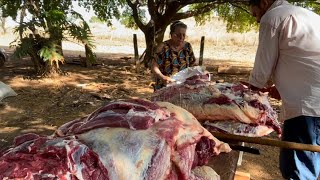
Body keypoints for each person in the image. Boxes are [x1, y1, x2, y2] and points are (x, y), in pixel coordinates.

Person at [246, 0, 320, 179]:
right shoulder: (310, 17)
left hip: (307, 109)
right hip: (313, 103)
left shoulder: (272, 17)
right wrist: (282, 87)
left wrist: (245, 92)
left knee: (298, 170)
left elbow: (260, 72)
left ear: (263, 3)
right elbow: (305, 60)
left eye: (255, 14)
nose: (256, 20)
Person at [151, 21, 196, 91]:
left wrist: (199, 72)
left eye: (184, 35)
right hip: (165, 86)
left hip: (183, 86)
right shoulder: (163, 47)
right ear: (171, 34)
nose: (181, 37)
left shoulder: (187, 46)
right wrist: (163, 77)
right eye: (178, 35)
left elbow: (192, 64)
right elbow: (154, 66)